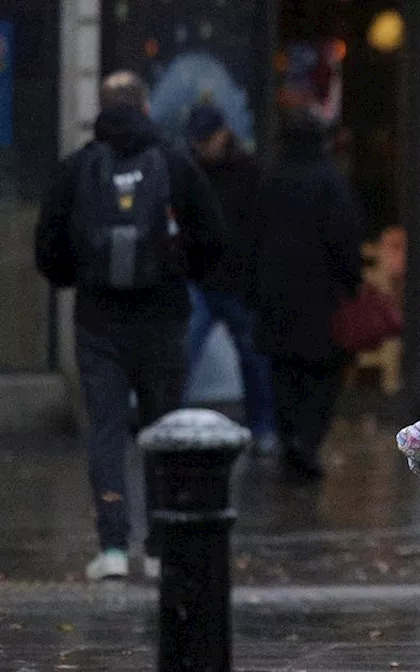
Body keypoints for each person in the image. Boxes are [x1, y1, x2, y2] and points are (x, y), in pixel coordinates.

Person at [34, 71, 226, 581]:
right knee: (164, 428)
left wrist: (84, 278)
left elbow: (48, 254)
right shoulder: (174, 161)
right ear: (144, 106)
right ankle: (162, 547)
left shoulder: (77, 167)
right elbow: (213, 237)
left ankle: (113, 547)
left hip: (99, 323)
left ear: (102, 106)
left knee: (106, 430)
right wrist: (181, 273)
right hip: (163, 318)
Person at [252, 110, 362, 482]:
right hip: (321, 297)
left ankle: (291, 439)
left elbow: (252, 237)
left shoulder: (272, 179)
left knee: (285, 374)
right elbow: (344, 238)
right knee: (322, 374)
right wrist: (351, 282)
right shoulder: (330, 182)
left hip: (277, 295)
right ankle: (308, 441)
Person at [182, 104, 278, 453]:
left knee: (252, 359)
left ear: (222, 134)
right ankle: (263, 429)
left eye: (205, 139)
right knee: (187, 354)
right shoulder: (209, 170)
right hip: (212, 279)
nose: (201, 147)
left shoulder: (247, 173)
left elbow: (259, 231)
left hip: (232, 281)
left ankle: (264, 428)